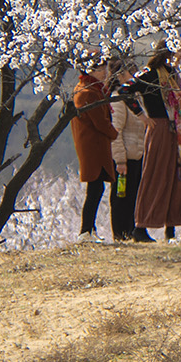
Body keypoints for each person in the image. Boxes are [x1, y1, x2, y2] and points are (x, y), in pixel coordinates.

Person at [129, 45, 181, 239]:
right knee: (156, 174)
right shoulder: (149, 74)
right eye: (176, 52)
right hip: (159, 129)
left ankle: (172, 227)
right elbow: (126, 90)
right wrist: (142, 116)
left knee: (179, 176)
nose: (179, 56)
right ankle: (141, 226)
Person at [71, 54, 122, 240]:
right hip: (93, 146)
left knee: (96, 188)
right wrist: (114, 133)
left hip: (93, 145)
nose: (105, 73)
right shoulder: (89, 92)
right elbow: (100, 122)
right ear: (91, 70)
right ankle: (85, 231)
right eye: (101, 69)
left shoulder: (88, 89)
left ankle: (90, 230)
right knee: (94, 188)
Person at [108, 54, 145, 241]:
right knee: (121, 196)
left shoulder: (135, 97)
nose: (135, 76)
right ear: (121, 76)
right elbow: (116, 132)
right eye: (131, 72)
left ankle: (131, 231)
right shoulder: (118, 99)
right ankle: (120, 233)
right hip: (126, 156)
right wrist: (120, 160)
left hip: (137, 154)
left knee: (133, 196)